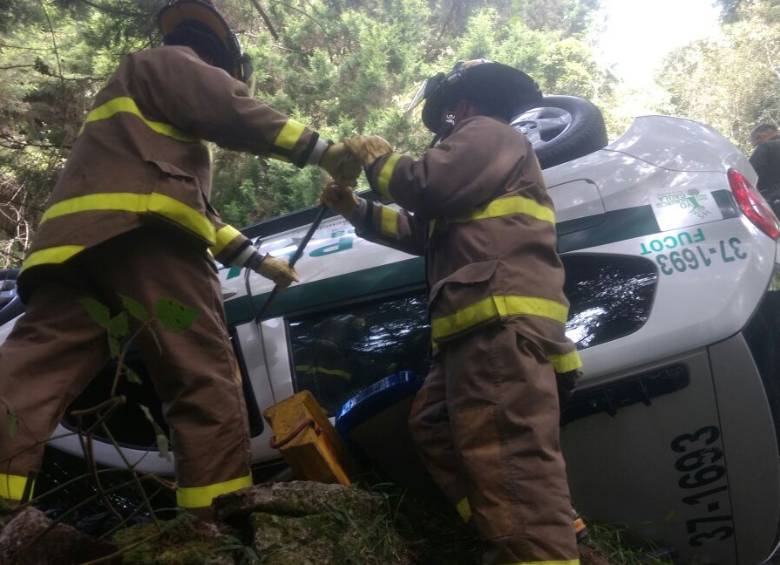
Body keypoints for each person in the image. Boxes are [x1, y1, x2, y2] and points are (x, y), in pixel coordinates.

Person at [0, 0, 360, 516]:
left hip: (77, 247)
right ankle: (216, 518)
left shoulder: (139, 117)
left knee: (33, 371)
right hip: (148, 241)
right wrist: (323, 150)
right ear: (224, 66)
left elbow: (196, 211)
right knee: (202, 378)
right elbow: (228, 111)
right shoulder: (173, 64)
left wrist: (259, 261)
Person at [322, 60, 583, 564]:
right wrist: (357, 210)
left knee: (514, 468)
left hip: (496, 327)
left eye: (446, 118)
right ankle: (505, 535)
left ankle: (535, 546)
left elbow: (426, 185)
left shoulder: (486, 132)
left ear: (459, 108)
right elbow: (426, 231)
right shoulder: (485, 162)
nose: (443, 130)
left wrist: (380, 163)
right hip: (476, 332)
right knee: (435, 427)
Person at [749, 123, 780, 214]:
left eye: (755, 144)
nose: (756, 146)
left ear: (761, 136)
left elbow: (751, 175)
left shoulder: (766, 147)